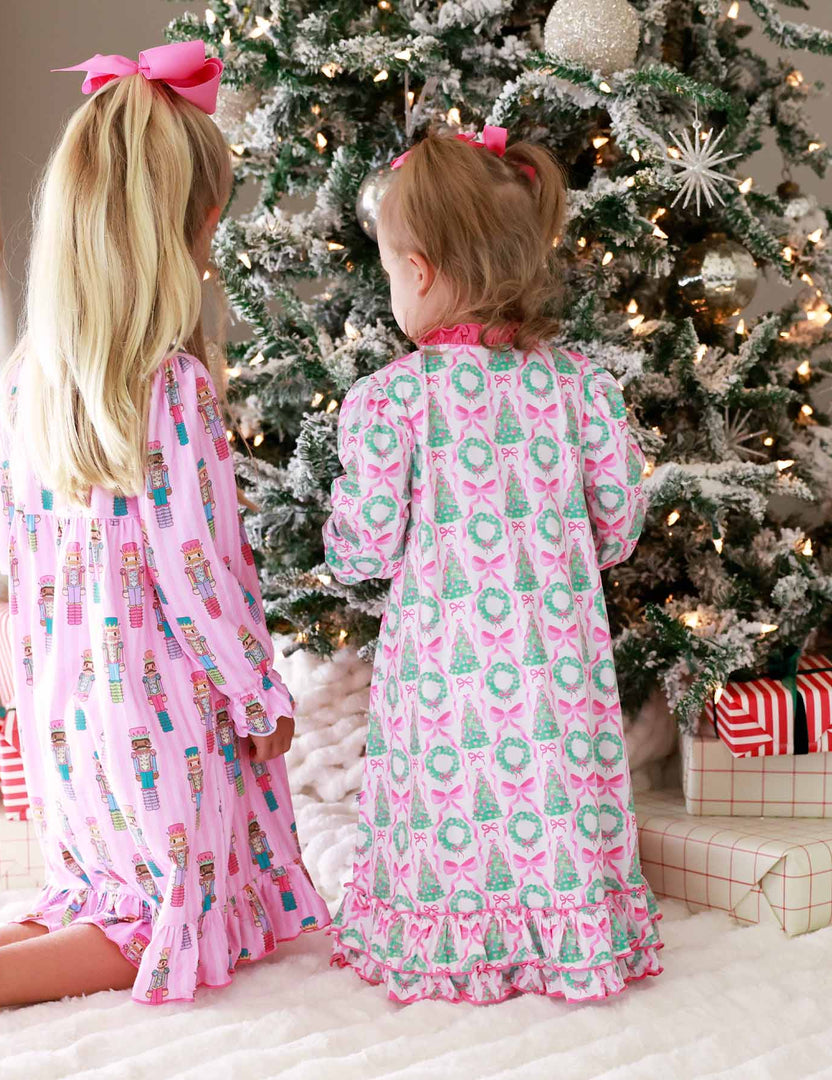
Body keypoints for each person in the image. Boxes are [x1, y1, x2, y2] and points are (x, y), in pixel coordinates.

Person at [0, 40, 329, 1035]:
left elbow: (7, 546)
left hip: (62, 710)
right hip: (160, 707)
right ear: (199, 225)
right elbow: (197, 572)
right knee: (159, 919)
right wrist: (257, 690)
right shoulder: (172, 391)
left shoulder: (21, 386)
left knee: (108, 895)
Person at [323, 128, 662, 1004]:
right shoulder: (581, 384)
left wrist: (352, 536)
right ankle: (568, 932)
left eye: (393, 268)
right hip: (559, 666)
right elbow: (620, 524)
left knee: (453, 805)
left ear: (423, 271)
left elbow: (359, 548)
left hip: (444, 677)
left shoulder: (393, 399)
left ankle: (452, 937)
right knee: (557, 792)